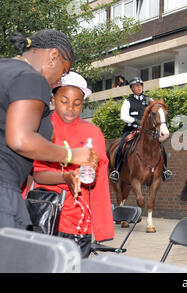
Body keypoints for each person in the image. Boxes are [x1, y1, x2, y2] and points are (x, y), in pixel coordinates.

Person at [0, 29, 97, 229]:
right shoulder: (32, 78)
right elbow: (20, 139)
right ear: (53, 56)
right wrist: (71, 154)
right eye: (64, 71)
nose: (60, 79)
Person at [27, 72, 114, 257]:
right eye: (64, 101)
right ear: (53, 98)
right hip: (45, 216)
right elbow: (38, 173)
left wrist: (88, 175)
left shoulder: (93, 133)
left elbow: (95, 180)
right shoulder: (42, 128)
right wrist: (65, 176)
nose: (70, 108)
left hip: (78, 220)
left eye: (77, 103)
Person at [109, 77, 172, 183]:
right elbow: (123, 116)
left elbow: (156, 112)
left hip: (146, 131)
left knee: (162, 148)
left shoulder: (149, 100)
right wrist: (136, 121)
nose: (139, 88)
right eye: (136, 86)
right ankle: (116, 171)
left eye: (140, 86)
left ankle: (164, 171)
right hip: (131, 130)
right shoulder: (128, 101)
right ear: (132, 89)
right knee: (121, 147)